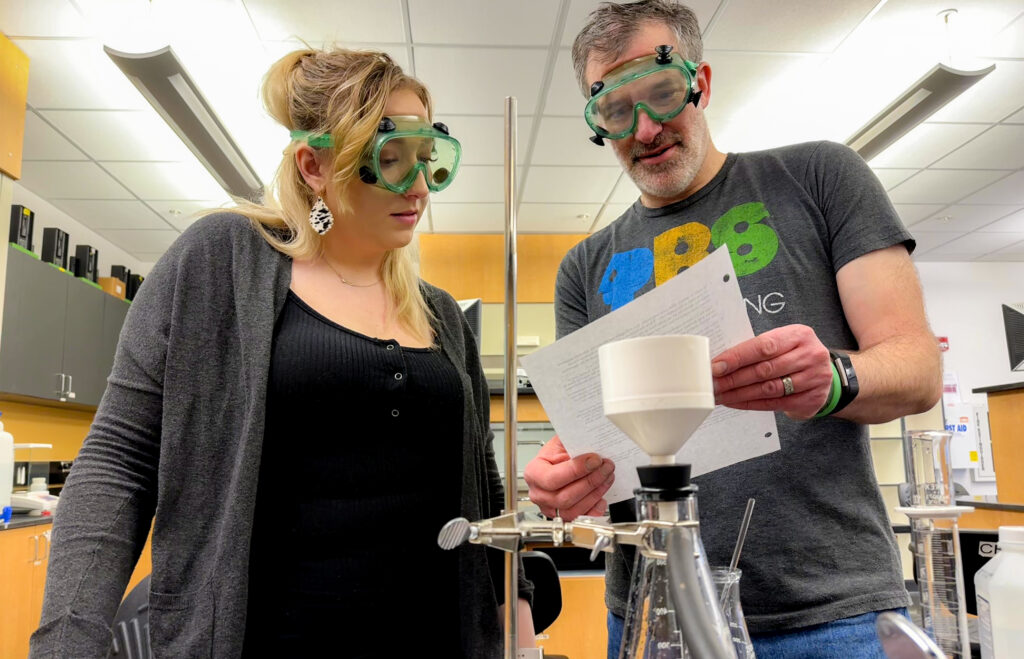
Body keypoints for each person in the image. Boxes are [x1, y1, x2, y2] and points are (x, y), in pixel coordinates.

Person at [30, 47, 533, 658]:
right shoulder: (220, 263)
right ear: (314, 165)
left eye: (430, 160)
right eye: (391, 159)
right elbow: (119, 462)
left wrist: (518, 611)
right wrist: (66, 643)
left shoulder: (443, 316)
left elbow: (482, 483)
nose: (421, 186)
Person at [523, 1, 942, 657]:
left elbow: (918, 368)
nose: (646, 126)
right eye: (614, 110)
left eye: (661, 93)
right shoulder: (584, 267)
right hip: (650, 615)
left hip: (828, 615)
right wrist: (567, 482)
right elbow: (597, 451)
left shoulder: (820, 178)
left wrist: (833, 377)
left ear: (701, 82)